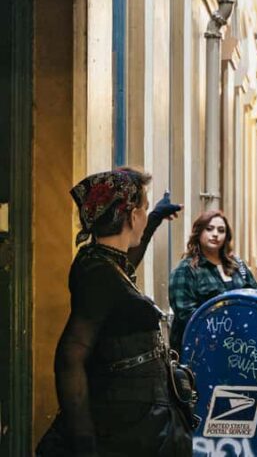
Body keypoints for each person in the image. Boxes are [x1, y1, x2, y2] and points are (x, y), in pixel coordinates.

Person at [38, 169, 188, 456]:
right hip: (121, 429)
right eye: (145, 209)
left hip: (136, 424)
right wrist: (84, 443)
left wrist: (155, 218)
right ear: (132, 216)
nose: (145, 216)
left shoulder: (103, 261)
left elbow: (123, 274)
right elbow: (70, 358)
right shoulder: (98, 272)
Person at [168, 210, 257, 347]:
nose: (215, 234)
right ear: (199, 232)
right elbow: (186, 316)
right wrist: (225, 328)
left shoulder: (237, 265)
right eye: (209, 229)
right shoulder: (186, 270)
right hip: (202, 347)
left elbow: (256, 297)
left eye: (221, 230)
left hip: (239, 345)